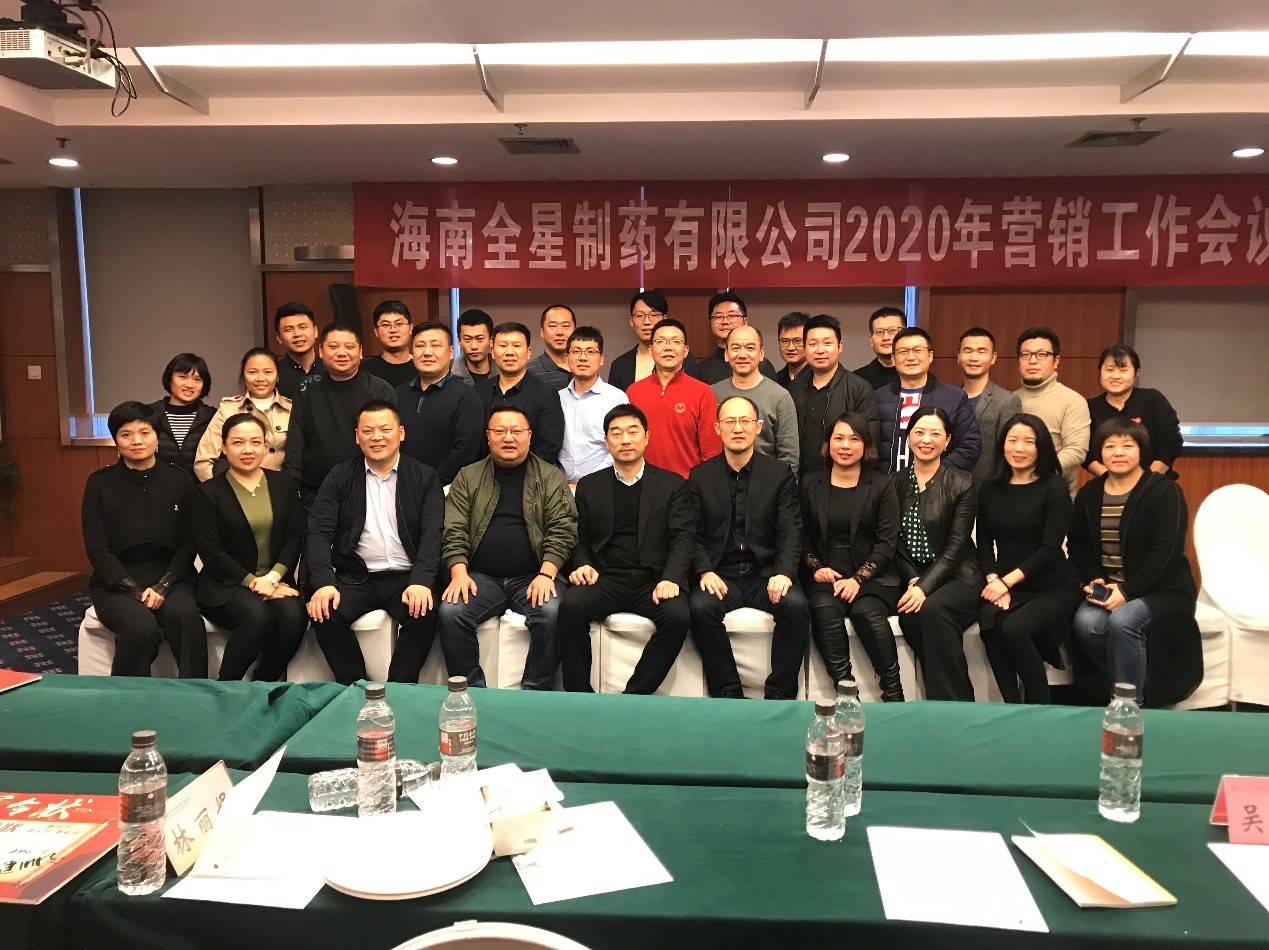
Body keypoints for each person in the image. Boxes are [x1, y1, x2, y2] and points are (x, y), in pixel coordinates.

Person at [306, 401, 445, 685]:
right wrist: (323, 582)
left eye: (385, 429)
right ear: (357, 436)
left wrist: (422, 581)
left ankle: (399, 690)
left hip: (406, 576)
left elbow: (433, 534)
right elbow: (318, 532)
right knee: (324, 612)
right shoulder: (339, 476)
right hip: (357, 576)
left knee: (425, 612)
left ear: (401, 433)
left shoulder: (425, 476)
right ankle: (358, 688)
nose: (376, 437)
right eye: (368, 431)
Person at [557, 404, 694, 693]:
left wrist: (671, 578)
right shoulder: (589, 485)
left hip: (652, 580)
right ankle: (579, 696)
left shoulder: (672, 484)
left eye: (633, 432)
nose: (625, 440)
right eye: (616, 433)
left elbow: (682, 538)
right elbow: (577, 536)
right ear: (606, 441)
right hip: (605, 577)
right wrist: (581, 564)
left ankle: (634, 696)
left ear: (647, 437)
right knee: (570, 607)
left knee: (678, 616)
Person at [439, 406, 578, 689]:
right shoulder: (468, 476)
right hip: (480, 578)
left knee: (552, 613)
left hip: (534, 576)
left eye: (516, 431)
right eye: (500, 431)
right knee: (451, 612)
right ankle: (470, 691)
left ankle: (535, 691)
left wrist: (547, 573)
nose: (508, 438)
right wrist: (459, 572)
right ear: (488, 437)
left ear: (529, 436)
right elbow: (454, 528)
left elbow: (563, 529)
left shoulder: (550, 477)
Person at [1068, 419, 1202, 707]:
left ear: (1142, 451)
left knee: (1123, 621)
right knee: (1086, 624)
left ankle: (1130, 706)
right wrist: (1092, 578)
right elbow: (1077, 546)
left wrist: (1128, 591)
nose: (1118, 452)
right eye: (1110, 446)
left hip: (1162, 589)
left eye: (1127, 445)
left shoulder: (1164, 491)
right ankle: (1127, 685)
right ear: (1100, 452)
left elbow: (1167, 552)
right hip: (1109, 587)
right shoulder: (1088, 494)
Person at [689, 395, 808, 699]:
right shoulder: (700, 476)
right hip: (721, 573)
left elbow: (790, 529)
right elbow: (692, 533)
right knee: (700, 608)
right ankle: (728, 691)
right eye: (730, 421)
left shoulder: (779, 474)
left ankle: (779, 693)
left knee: (795, 606)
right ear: (717, 428)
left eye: (745, 421)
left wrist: (784, 572)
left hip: (764, 573)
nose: (738, 428)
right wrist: (704, 571)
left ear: (758, 427)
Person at [81, 401, 205, 677]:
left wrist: (163, 587)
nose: (136, 441)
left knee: (185, 618)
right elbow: (97, 549)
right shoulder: (99, 483)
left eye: (144, 433)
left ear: (157, 438)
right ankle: (130, 697)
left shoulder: (180, 480)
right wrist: (134, 592)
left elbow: (189, 542)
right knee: (140, 629)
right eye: (126, 434)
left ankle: (196, 692)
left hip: (172, 576)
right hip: (116, 581)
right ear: (116, 441)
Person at [976, 413, 1082, 704]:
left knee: (1014, 629)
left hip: (1053, 586)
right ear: (1002, 445)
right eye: (1013, 440)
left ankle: (1040, 708)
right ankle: (1011, 706)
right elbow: (983, 543)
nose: (1019, 448)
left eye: (1028, 442)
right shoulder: (989, 488)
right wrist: (993, 580)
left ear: (1040, 447)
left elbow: (1050, 549)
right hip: (1007, 585)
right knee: (989, 622)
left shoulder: (1054, 487)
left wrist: (1006, 583)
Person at [191, 414, 306, 682]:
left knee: (294, 616)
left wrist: (273, 578)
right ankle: (228, 687)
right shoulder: (207, 493)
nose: (247, 450)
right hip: (226, 585)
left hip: (275, 581)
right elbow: (211, 552)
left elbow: (294, 536)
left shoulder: (284, 484)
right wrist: (255, 583)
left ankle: (263, 684)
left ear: (265, 446)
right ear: (223, 448)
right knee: (258, 617)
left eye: (256, 442)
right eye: (238, 442)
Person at [800, 412, 903, 701]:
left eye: (854, 439)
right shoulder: (810, 482)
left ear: (865, 445)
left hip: (873, 575)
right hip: (825, 576)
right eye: (839, 438)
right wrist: (816, 567)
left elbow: (887, 542)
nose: (845, 445)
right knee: (823, 607)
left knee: (866, 613)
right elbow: (802, 535)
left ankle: (893, 693)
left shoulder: (882, 485)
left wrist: (858, 579)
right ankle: (846, 693)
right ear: (828, 443)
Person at [891, 406, 982, 702]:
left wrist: (923, 588)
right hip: (916, 577)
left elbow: (956, 546)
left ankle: (955, 704)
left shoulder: (962, 483)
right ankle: (943, 701)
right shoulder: (894, 483)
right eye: (919, 432)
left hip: (960, 576)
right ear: (908, 438)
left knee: (932, 610)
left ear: (947, 440)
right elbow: (893, 543)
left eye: (935, 433)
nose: (926, 440)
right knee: (911, 618)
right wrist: (912, 579)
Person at [282, 323, 398, 510]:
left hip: (367, 491)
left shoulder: (380, 390)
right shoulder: (307, 388)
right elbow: (296, 440)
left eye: (349, 347)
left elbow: (391, 443)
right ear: (321, 351)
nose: (342, 353)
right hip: (314, 493)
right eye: (334, 347)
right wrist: (291, 486)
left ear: (360, 352)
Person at [874, 326, 980, 475]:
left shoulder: (954, 397)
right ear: (893, 359)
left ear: (930, 356)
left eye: (917, 350)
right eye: (903, 352)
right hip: (886, 485)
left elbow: (969, 445)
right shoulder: (878, 397)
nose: (910, 357)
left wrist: (937, 473)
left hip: (937, 486)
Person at [626, 318, 722, 478]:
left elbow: (711, 451)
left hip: (687, 485)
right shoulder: (633, 392)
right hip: (642, 483)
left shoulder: (703, 392)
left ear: (686, 350)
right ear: (651, 350)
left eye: (676, 341)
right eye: (661, 341)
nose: (668, 347)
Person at [788, 314, 880, 479]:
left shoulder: (859, 388)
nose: (820, 350)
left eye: (827, 343)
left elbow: (869, 443)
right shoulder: (794, 389)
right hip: (799, 484)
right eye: (813, 344)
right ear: (804, 348)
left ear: (840, 346)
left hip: (843, 482)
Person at [397, 321, 483, 486]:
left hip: (447, 490)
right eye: (420, 346)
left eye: (435, 345)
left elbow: (465, 452)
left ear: (451, 352)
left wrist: (431, 484)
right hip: (401, 486)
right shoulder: (398, 394)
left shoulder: (467, 397)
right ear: (412, 351)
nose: (427, 352)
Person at [1085, 343, 1183, 480]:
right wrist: (1113, 479)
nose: (1115, 376)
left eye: (1123, 370)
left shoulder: (1153, 399)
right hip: (1107, 483)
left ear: (1136, 374)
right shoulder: (1089, 407)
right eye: (1109, 370)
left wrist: (1145, 481)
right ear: (1100, 373)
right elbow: (1086, 453)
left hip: (1155, 481)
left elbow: (1171, 443)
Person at [711, 325, 800, 474]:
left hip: (767, 480)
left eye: (750, 348)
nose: (742, 354)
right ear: (726, 354)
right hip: (720, 479)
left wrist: (780, 485)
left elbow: (789, 456)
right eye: (735, 348)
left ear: (761, 353)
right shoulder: (712, 393)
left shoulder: (780, 397)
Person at [1015, 326, 1091, 497]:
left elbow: (1076, 450)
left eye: (1042, 354)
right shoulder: (1010, 400)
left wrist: (1035, 473)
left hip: (1055, 494)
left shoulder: (1072, 401)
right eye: (1025, 355)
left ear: (1056, 361)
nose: (1032, 361)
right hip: (1013, 491)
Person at [195, 347, 291, 482]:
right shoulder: (229, 409)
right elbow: (203, 461)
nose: (260, 378)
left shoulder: (291, 409)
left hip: (279, 488)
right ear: (243, 376)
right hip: (237, 489)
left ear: (278, 376)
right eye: (252, 372)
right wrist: (220, 492)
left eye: (268, 372)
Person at [477, 322, 566, 466]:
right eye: (503, 345)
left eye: (517, 346)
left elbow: (549, 447)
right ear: (492, 351)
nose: (509, 352)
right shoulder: (478, 392)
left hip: (532, 476)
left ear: (528, 352)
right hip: (484, 475)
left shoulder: (546, 395)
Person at [558, 326, 626, 486]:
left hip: (602, 484)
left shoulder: (616, 398)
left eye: (590, 352)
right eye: (576, 351)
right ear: (567, 357)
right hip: (561, 487)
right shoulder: (556, 398)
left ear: (601, 358)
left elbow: (620, 444)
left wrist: (589, 483)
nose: (583, 358)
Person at [958, 327, 1022, 485]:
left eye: (981, 351)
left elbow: (1008, 452)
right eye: (967, 351)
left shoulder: (1007, 401)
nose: (974, 357)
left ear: (993, 357)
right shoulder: (950, 398)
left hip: (988, 488)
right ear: (958, 356)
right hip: (949, 488)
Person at [607, 290, 698, 392]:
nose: (647, 322)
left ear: (664, 318)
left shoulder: (685, 359)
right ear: (631, 321)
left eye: (653, 315)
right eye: (639, 315)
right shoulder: (619, 365)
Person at [151, 353, 216, 475]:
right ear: (170, 379)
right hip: (158, 486)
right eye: (183, 377)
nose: (189, 385)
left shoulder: (214, 417)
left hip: (201, 486)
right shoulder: (149, 414)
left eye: (197, 379)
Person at [694, 291, 778, 385]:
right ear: (710, 323)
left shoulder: (762, 365)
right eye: (718, 317)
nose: (725, 321)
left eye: (732, 316)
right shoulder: (701, 370)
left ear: (745, 321)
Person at [361, 300, 417, 388]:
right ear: (376, 331)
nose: (393, 330)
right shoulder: (363, 371)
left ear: (410, 328)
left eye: (399, 324)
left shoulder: (423, 366)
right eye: (386, 325)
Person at [272, 302, 319, 400]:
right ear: (278, 338)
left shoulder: (332, 370)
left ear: (315, 331)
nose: (297, 334)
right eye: (288, 330)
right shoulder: (273, 375)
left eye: (303, 327)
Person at [853, 306, 905, 391]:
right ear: (871, 340)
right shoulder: (856, 380)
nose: (886, 337)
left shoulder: (919, 376)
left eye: (892, 331)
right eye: (879, 332)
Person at [526, 304, 575, 391]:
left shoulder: (584, 366)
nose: (559, 332)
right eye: (553, 326)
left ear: (575, 330)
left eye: (565, 326)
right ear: (542, 331)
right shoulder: (530, 373)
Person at [451, 308, 495, 386]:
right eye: (467, 339)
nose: (474, 346)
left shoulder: (505, 375)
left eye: (480, 339)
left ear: (491, 340)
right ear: (459, 341)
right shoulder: (450, 379)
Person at [774, 311, 809, 390]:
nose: (790, 348)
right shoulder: (776, 380)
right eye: (785, 341)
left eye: (797, 341)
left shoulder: (818, 377)